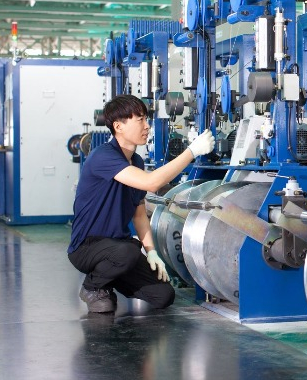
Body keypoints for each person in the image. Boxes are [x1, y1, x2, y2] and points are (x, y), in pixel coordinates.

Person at [67, 95, 215, 313]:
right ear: (118, 126)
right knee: (127, 252)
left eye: (147, 120)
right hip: (87, 247)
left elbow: (138, 215)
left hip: (117, 248)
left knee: (164, 296)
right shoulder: (103, 156)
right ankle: (92, 286)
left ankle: (109, 280)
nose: (147, 127)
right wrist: (191, 152)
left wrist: (152, 252)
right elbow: (152, 182)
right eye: (140, 120)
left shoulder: (135, 161)